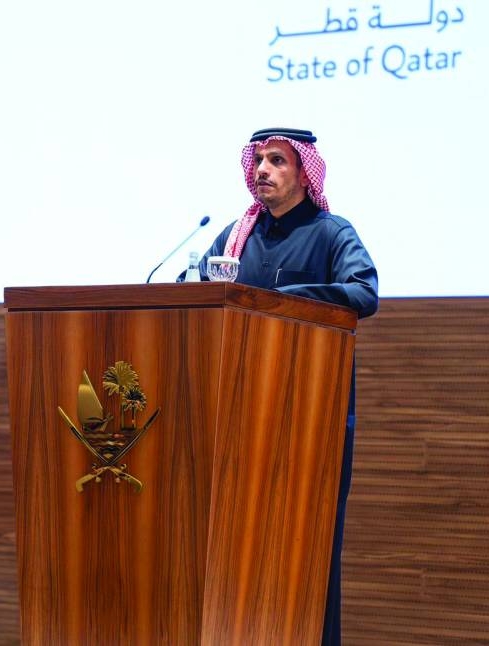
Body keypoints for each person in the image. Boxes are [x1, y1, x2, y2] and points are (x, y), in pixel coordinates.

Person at [196, 127, 378, 645]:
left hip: (311, 422)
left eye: (277, 160)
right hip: (237, 421)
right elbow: (202, 295)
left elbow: (364, 293)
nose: (263, 170)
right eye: (258, 160)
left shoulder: (331, 232)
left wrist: (286, 299)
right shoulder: (235, 238)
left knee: (307, 549)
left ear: (303, 173)